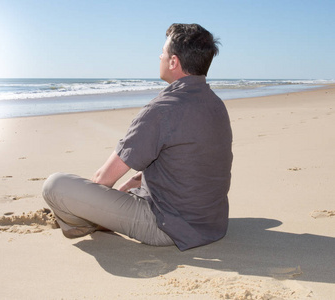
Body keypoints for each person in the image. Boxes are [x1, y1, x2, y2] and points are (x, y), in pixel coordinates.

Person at [42, 23, 233, 251]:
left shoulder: (162, 110)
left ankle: (83, 224)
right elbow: (188, 161)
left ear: (173, 62)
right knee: (133, 184)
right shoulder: (215, 104)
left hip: (166, 227)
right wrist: (132, 184)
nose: (159, 56)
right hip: (211, 223)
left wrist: (97, 204)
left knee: (55, 186)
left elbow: (103, 179)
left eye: (163, 52)